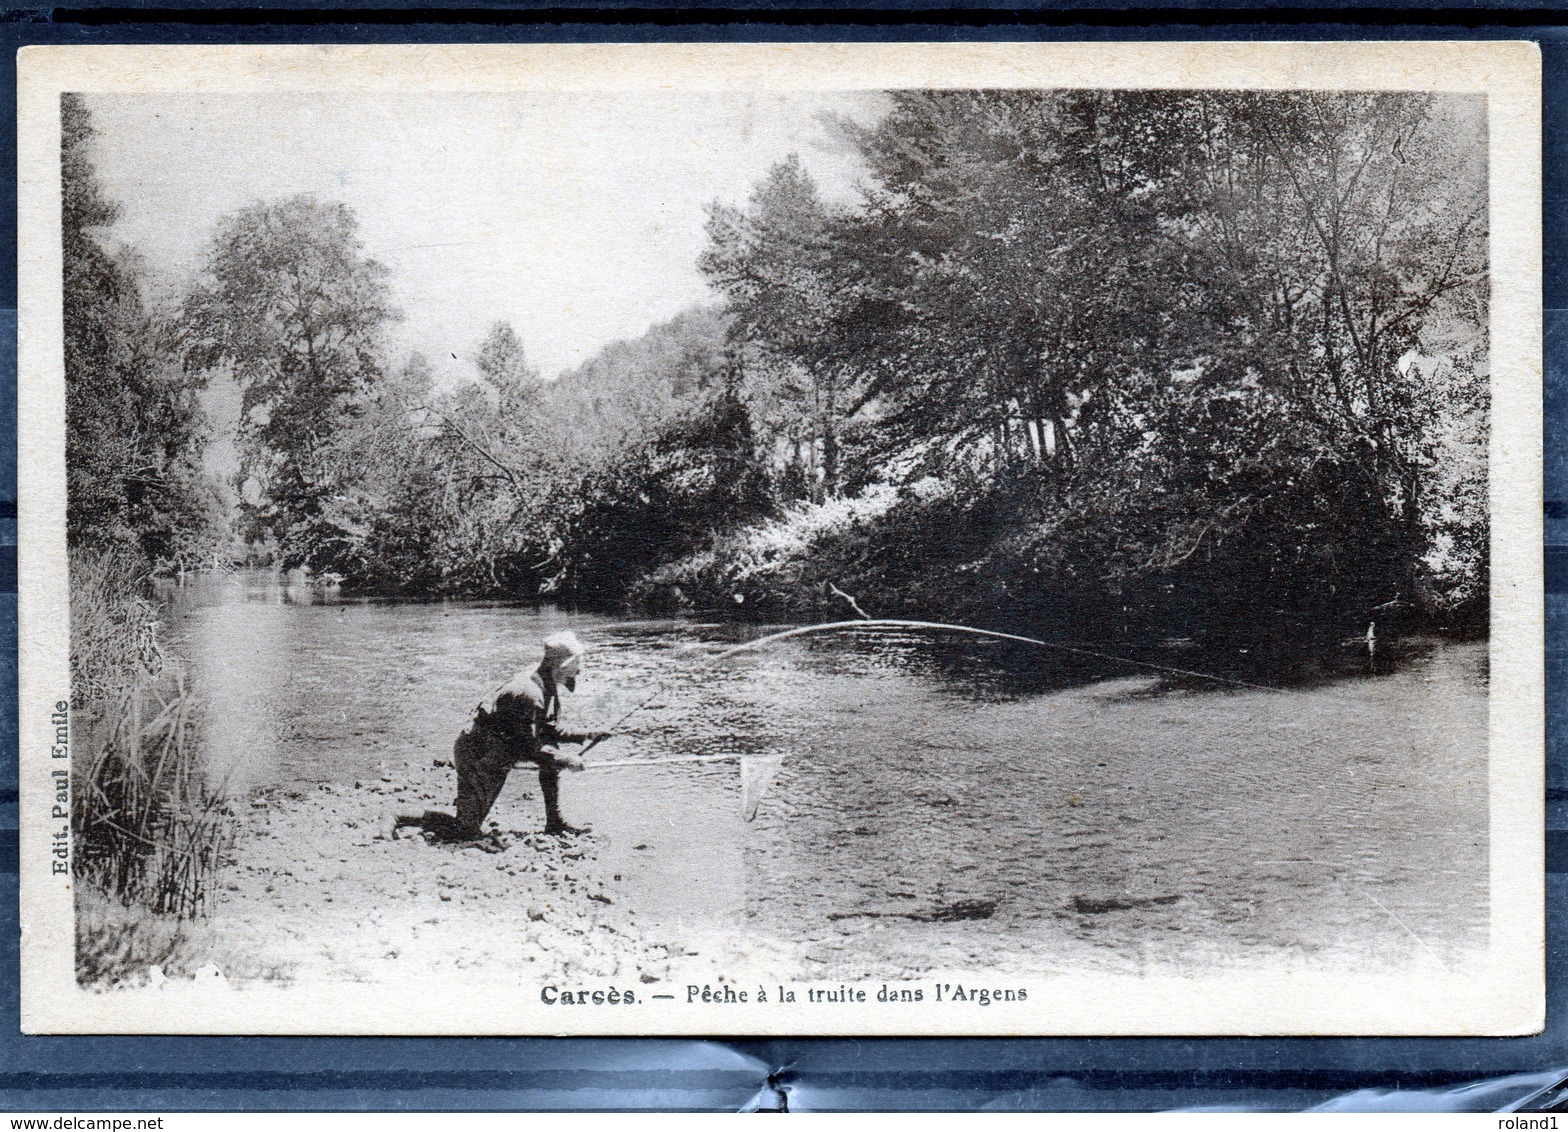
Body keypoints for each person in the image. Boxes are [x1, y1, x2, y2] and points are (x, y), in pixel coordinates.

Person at [449, 630, 609, 838]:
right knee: (466, 830)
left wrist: (587, 735)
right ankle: (402, 817)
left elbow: (547, 730)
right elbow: (526, 747)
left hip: (500, 747)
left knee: (552, 751)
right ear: (561, 665)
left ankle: (554, 822)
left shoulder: (545, 678)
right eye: (577, 663)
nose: (579, 670)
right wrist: (566, 759)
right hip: (478, 753)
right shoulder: (529, 693)